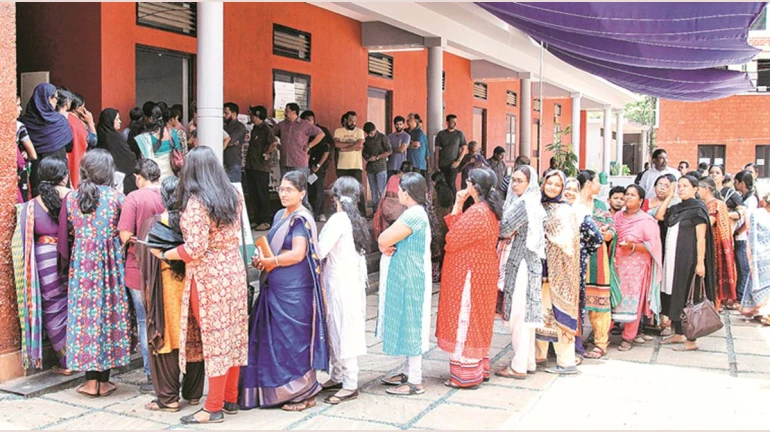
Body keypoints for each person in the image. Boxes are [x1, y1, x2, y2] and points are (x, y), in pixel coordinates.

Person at [150, 146, 248, 424]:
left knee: (215, 339)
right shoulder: (233, 195)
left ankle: (212, 407)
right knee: (232, 336)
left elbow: (195, 249)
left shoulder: (196, 203)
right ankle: (230, 398)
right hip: (234, 271)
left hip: (207, 278)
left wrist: (165, 254)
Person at [242, 171, 329, 412]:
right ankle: (276, 391)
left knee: (294, 342)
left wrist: (273, 263)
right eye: (281, 189)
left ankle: (303, 393)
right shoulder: (281, 215)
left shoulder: (301, 219)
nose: (283, 193)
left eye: (289, 189)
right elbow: (273, 248)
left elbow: (298, 254)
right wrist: (262, 260)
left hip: (295, 292)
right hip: (274, 287)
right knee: (276, 343)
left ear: (302, 193)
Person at [57, 149, 130, 398]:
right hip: (110, 264)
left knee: (85, 317)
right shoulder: (117, 198)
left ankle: (90, 382)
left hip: (82, 265)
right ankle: (104, 381)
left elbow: (66, 235)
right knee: (108, 314)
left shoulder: (71, 199)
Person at [135, 176, 205, 413]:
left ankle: (168, 398)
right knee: (193, 337)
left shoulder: (153, 224)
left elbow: (142, 256)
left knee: (166, 339)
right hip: (193, 284)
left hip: (164, 289)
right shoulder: (195, 223)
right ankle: (194, 394)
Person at [435, 168, 502, 388]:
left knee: (466, 318)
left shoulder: (477, 212)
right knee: (478, 318)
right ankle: (479, 368)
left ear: (473, 185)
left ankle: (465, 375)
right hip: (482, 272)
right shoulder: (487, 210)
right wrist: (458, 203)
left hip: (470, 275)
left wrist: (457, 206)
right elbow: (457, 230)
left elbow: (452, 238)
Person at [12, 157, 72, 375]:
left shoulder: (31, 206)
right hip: (70, 256)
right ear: (64, 175)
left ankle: (66, 361)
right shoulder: (73, 198)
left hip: (44, 260)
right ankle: (81, 356)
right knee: (73, 306)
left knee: (53, 309)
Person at [377, 172, 433, 396]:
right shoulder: (415, 213)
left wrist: (383, 245)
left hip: (411, 277)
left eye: (399, 189)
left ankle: (415, 381)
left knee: (412, 325)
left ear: (407, 193)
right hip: (409, 274)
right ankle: (410, 372)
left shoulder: (413, 215)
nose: (397, 192)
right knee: (408, 322)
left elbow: (383, 239)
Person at [316, 177, 370, 404]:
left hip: (340, 284)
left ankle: (349, 383)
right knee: (338, 329)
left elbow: (319, 250)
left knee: (342, 330)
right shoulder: (354, 219)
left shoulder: (338, 219)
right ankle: (338, 375)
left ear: (335, 197)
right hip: (349, 282)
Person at [118, 159, 165, 393]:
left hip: (138, 267)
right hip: (167, 265)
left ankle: (151, 375)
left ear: (138, 178)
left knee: (144, 320)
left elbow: (125, 234)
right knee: (166, 317)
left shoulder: (134, 198)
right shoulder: (168, 193)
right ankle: (169, 372)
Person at [655, 175, 716, 352]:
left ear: (695, 189)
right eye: (679, 186)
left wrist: (700, 263)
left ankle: (691, 340)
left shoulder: (698, 209)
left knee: (690, 297)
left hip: (689, 260)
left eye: (685, 186)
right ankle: (678, 334)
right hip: (674, 260)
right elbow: (660, 215)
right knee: (676, 294)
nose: (681, 189)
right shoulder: (676, 208)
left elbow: (700, 238)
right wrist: (668, 196)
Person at [495, 165, 545, 379]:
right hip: (529, 262)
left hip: (522, 263)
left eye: (519, 181)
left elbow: (503, 229)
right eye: (513, 180)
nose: (514, 184)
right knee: (525, 315)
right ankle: (528, 361)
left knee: (519, 316)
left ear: (529, 183)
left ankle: (518, 366)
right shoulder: (531, 201)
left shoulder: (524, 204)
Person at [535, 169, 582, 374]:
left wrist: (550, 239)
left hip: (561, 272)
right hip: (540, 271)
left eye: (557, 184)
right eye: (549, 183)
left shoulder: (566, 211)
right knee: (541, 314)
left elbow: (568, 242)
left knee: (560, 314)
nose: (552, 187)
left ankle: (566, 361)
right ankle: (538, 357)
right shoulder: (538, 206)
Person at [612, 184, 663, 351]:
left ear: (641, 201)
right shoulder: (617, 216)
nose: (627, 197)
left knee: (633, 301)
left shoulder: (646, 220)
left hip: (636, 268)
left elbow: (653, 245)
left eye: (632, 195)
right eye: (627, 194)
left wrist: (633, 246)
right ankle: (603, 334)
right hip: (616, 264)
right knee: (612, 298)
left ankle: (628, 337)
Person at [576, 170, 620, 360]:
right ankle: (574, 341)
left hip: (597, 258)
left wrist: (606, 233)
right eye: (596, 181)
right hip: (575, 258)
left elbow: (611, 228)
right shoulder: (573, 203)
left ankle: (601, 342)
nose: (599, 185)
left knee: (599, 300)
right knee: (574, 301)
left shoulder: (600, 205)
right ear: (587, 183)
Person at [562, 177, 602, 363]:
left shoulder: (581, 213)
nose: (569, 192)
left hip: (575, 267)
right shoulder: (554, 210)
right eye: (566, 188)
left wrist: (581, 251)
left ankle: (576, 349)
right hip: (556, 268)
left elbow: (597, 238)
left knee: (575, 306)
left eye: (573, 189)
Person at [21, 83, 73, 196]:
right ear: (48, 98)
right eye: (55, 97)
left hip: (37, 176)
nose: (57, 101)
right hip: (59, 174)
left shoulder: (24, 122)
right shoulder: (60, 121)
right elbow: (69, 146)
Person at [645, 173, 680, 335]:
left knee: (664, 281)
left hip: (666, 246)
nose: (662, 188)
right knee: (649, 280)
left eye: (666, 185)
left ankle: (664, 320)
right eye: (659, 184)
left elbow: (660, 216)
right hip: (648, 247)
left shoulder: (675, 203)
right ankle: (649, 318)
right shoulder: (646, 202)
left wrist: (669, 197)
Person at [699, 177, 736, 311]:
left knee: (713, 274)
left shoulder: (714, 204)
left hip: (713, 244)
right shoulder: (706, 203)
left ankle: (713, 306)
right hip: (710, 243)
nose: (697, 191)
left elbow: (709, 222)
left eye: (699, 188)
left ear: (707, 189)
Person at [245, 105, 278, 230]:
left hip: (261, 167)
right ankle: (256, 219)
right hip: (251, 165)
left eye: (252, 115)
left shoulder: (266, 129)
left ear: (257, 115)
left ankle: (265, 220)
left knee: (262, 193)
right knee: (253, 194)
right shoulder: (255, 129)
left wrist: (267, 153)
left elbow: (273, 142)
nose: (251, 117)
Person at [132, 102, 183, 181]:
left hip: (153, 179)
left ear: (150, 119)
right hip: (171, 179)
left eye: (145, 117)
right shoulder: (172, 133)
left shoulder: (144, 138)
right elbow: (179, 152)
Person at [97, 108, 139, 195]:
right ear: (110, 121)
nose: (119, 121)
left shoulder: (102, 134)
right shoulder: (114, 139)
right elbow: (128, 158)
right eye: (117, 119)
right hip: (122, 179)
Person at [300, 110, 333, 222]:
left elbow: (328, 149)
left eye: (310, 119)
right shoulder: (301, 131)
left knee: (319, 189)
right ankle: (311, 212)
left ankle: (319, 213)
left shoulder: (321, 131)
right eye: (305, 120)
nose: (308, 122)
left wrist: (319, 165)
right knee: (309, 189)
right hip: (305, 165)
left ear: (314, 120)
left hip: (319, 164)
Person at [334, 111, 366, 215]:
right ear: (345, 121)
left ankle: (361, 212)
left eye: (355, 121)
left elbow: (359, 145)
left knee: (358, 190)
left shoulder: (359, 131)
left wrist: (346, 148)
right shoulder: (338, 131)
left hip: (356, 166)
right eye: (351, 120)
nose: (353, 123)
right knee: (342, 190)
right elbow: (337, 144)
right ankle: (341, 210)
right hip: (342, 166)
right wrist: (353, 144)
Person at [734, 170, 758, 303]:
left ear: (742, 183)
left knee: (744, 268)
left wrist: (738, 232)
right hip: (740, 237)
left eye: (736, 182)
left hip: (743, 238)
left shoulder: (751, 199)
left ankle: (742, 296)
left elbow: (749, 221)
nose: (734, 185)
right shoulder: (743, 198)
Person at [373, 161, 411, 239]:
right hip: (398, 210)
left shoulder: (392, 177)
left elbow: (384, 193)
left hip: (386, 207)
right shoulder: (407, 180)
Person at [66, 93, 97, 188]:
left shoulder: (65, 118)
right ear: (77, 108)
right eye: (83, 107)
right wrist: (90, 122)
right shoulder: (76, 123)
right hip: (77, 158)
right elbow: (93, 140)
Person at [362, 122, 392, 214]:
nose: (370, 135)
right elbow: (364, 153)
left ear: (375, 130)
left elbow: (389, 150)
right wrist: (368, 158)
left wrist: (378, 157)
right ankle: (375, 211)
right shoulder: (367, 140)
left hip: (381, 167)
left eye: (372, 132)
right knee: (373, 190)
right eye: (368, 133)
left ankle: (383, 210)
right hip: (370, 168)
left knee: (381, 190)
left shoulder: (383, 137)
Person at [435, 114, 468, 196]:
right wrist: (436, 164)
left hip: (453, 164)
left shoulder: (459, 134)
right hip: (442, 163)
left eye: (456, 122)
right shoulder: (441, 134)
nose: (455, 124)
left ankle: (455, 203)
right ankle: (444, 204)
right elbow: (436, 150)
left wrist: (458, 161)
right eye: (453, 122)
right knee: (442, 184)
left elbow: (464, 148)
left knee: (451, 183)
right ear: (447, 122)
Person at [430, 170, 454, 283]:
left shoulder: (434, 192)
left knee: (436, 248)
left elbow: (430, 205)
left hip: (436, 221)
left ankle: (435, 274)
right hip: (447, 221)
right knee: (445, 247)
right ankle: (444, 271)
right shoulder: (449, 191)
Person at [16, 96, 37, 202]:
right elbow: (33, 155)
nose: (20, 109)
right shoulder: (19, 127)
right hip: (18, 174)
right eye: (18, 105)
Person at [223, 102, 247, 183]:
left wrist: (226, 141)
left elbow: (230, 140)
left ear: (234, 114)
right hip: (222, 161)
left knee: (234, 188)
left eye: (226, 113)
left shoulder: (240, 127)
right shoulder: (223, 126)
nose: (223, 115)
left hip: (233, 162)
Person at [406, 113, 430, 178]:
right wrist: (411, 144)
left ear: (416, 120)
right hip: (407, 162)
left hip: (417, 163)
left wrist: (405, 146)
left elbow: (416, 144)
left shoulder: (419, 132)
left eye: (410, 118)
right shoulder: (405, 131)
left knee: (416, 182)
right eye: (408, 118)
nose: (408, 120)